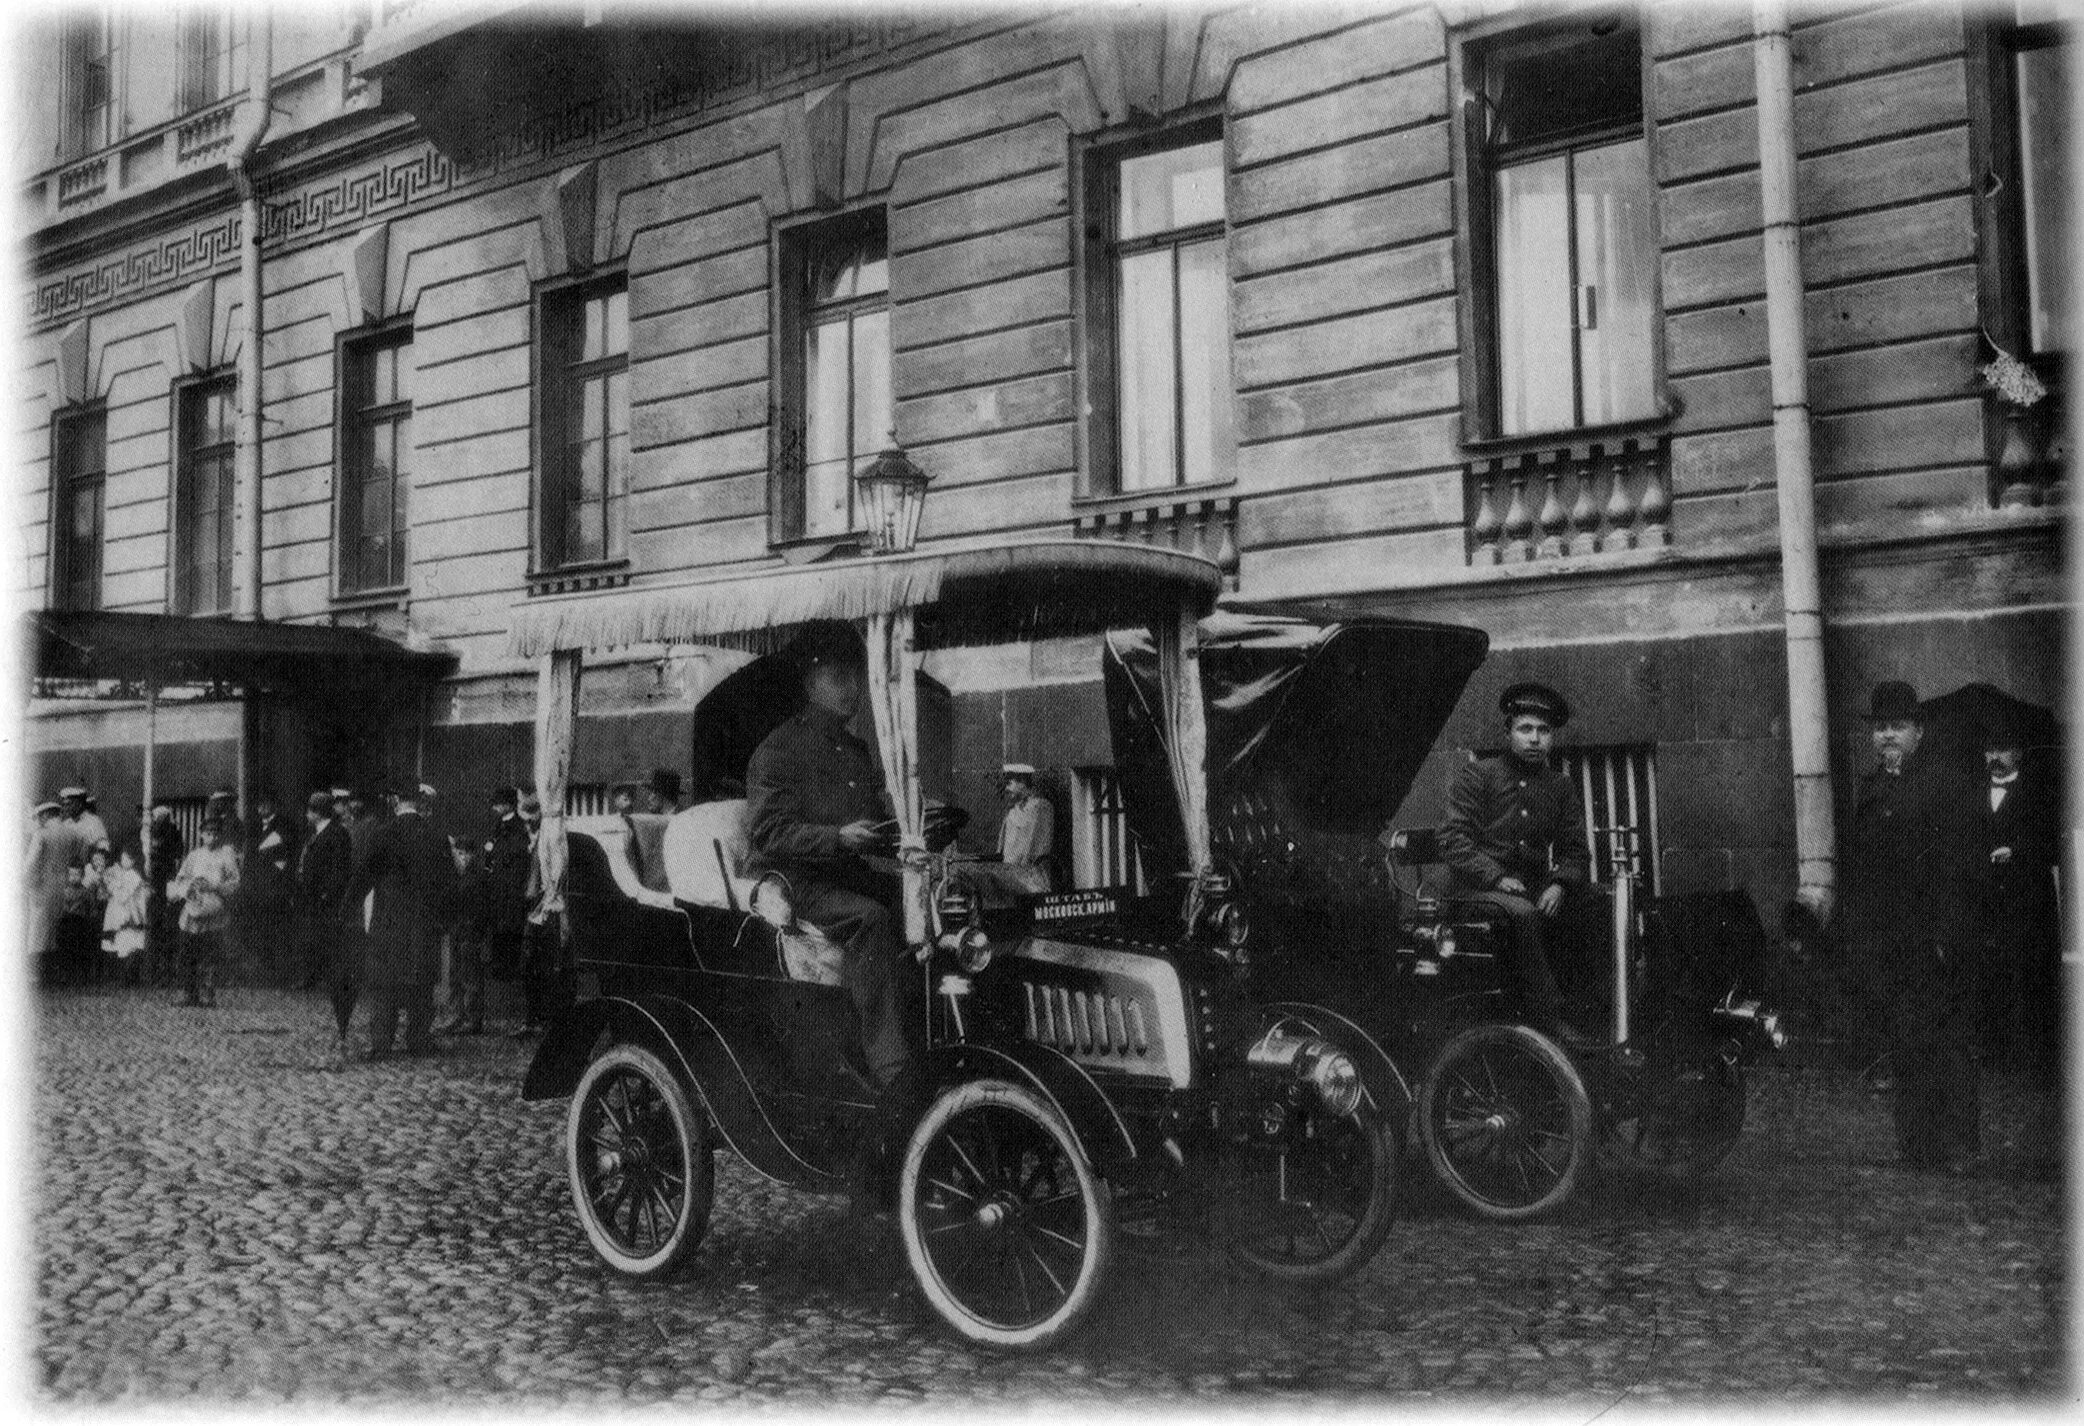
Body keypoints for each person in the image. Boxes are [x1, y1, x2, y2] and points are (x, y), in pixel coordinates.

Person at [745, 629, 913, 1096]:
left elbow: (872, 822)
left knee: (932, 906)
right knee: (873, 920)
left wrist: (902, 826)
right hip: (803, 885)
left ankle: (930, 1033)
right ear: (809, 685)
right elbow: (768, 833)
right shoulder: (777, 752)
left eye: (854, 678)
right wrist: (837, 837)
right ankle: (891, 1065)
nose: (853, 689)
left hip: (849, 876)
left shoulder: (854, 751)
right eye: (838, 679)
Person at [1841, 681, 1981, 1173]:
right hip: (1887, 940)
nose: (1887, 737)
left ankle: (1959, 1145)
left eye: (1897, 726)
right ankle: (1916, 1145)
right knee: (1903, 1043)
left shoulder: (1942, 783)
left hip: (1932, 938)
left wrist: (1948, 932)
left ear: (1918, 731)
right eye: (1880, 728)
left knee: (1946, 1043)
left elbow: (1955, 865)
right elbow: (1860, 867)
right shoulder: (1871, 788)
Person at [1437, 682, 1603, 1046]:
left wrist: (1560, 883)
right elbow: (1452, 840)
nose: (1535, 739)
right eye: (1525, 729)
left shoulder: (1560, 786)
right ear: (1508, 732)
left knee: (1593, 900)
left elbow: (1576, 849)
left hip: (1531, 886)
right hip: (1474, 890)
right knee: (1522, 913)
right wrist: (1495, 877)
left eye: (1544, 731)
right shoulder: (1479, 775)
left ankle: (1593, 1009)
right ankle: (1549, 1019)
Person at [1971, 706, 2062, 1080]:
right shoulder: (1974, 794)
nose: (1995, 757)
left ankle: (2042, 1061)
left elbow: (2053, 845)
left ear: (2019, 753)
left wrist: (2017, 852)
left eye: (2003, 749)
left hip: (2029, 903)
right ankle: (1999, 1056)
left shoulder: (2039, 793)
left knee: (2034, 977)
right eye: (1990, 750)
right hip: (1990, 902)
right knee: (1992, 975)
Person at [340, 783, 456, 1060]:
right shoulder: (436, 836)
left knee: (384, 985)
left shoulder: (383, 835)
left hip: (389, 922)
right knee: (421, 983)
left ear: (395, 802)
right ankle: (419, 1040)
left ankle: (382, 1044)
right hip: (423, 924)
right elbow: (448, 884)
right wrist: (444, 920)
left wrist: (346, 910)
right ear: (419, 802)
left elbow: (362, 878)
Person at [298, 790, 357, 1057]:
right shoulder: (316, 835)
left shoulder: (337, 835)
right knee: (328, 961)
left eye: (310, 809)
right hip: (315, 908)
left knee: (337, 965)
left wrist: (325, 897)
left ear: (316, 812)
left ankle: (343, 1018)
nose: (307, 814)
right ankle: (339, 1017)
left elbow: (339, 872)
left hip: (329, 910)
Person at [168, 817, 240, 1008]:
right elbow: (181, 878)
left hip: (214, 909)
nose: (212, 837)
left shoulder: (226, 856)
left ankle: (207, 993)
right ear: (201, 834)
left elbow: (234, 883)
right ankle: (187, 992)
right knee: (187, 953)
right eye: (208, 833)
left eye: (216, 833)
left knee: (210, 953)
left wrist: (215, 886)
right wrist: (188, 889)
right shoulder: (194, 856)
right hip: (193, 909)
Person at [483, 788, 534, 1025]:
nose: (494, 808)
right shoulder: (498, 827)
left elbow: (516, 858)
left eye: (498, 804)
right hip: (498, 894)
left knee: (510, 944)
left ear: (508, 805)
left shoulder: (517, 828)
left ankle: (511, 1007)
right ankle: (501, 1004)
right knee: (499, 945)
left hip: (511, 896)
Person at [242, 794, 300, 986]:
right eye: (260, 805)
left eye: (266, 804)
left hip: (275, 887)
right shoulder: (255, 827)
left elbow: (285, 856)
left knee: (278, 930)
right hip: (258, 887)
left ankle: (280, 975)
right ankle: (265, 973)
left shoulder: (284, 826)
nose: (262, 809)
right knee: (261, 929)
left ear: (274, 805)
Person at [436, 836, 491, 1036]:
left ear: (471, 854)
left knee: (470, 976)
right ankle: (456, 1016)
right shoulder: (456, 875)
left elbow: (481, 907)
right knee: (454, 975)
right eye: (458, 853)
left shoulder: (477, 876)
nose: (462, 857)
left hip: (470, 931)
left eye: (465, 853)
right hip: (456, 930)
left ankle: (472, 1019)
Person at [25, 801, 77, 978]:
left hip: (41, 887)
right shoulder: (69, 833)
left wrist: (23, 882)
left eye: (39, 816)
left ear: (45, 814)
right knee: (54, 929)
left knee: (37, 930)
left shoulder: (41, 834)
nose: (39, 820)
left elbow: (31, 864)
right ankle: (53, 973)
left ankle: (35, 975)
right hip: (62, 886)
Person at [143, 802, 185, 987]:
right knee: (156, 930)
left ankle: (164, 973)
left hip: (164, 886)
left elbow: (174, 857)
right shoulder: (150, 835)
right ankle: (155, 973)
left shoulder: (168, 835)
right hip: (156, 888)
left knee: (165, 930)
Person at [100, 843, 150, 985]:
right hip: (122, 912)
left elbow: (124, 896)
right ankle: (125, 976)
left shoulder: (133, 876)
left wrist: (113, 886)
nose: (123, 861)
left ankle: (130, 976)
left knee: (131, 943)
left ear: (133, 860)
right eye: (122, 858)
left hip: (131, 913)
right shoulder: (123, 874)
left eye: (127, 858)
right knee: (122, 943)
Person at [59, 786, 109, 864]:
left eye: (69, 804)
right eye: (64, 805)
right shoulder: (65, 824)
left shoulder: (93, 822)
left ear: (79, 804)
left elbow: (103, 848)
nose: (66, 808)